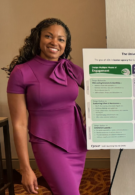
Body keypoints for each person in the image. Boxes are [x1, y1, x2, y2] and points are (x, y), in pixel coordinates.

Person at [4, 18, 87, 195]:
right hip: (46, 142)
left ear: (66, 44)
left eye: (61, 39)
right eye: (49, 36)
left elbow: (104, 91)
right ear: (38, 39)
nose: (54, 42)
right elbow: (19, 124)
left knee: (66, 190)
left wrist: (93, 115)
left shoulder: (70, 68)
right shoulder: (21, 72)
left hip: (77, 141)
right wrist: (25, 168)